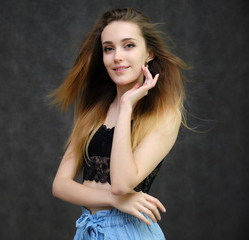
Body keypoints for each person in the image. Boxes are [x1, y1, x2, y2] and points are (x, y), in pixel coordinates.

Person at [50, 7, 187, 240]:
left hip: (128, 231)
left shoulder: (164, 114)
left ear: (149, 53)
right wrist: (114, 201)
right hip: (88, 229)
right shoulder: (94, 112)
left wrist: (125, 107)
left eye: (129, 45)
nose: (117, 57)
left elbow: (122, 184)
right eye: (108, 49)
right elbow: (60, 185)